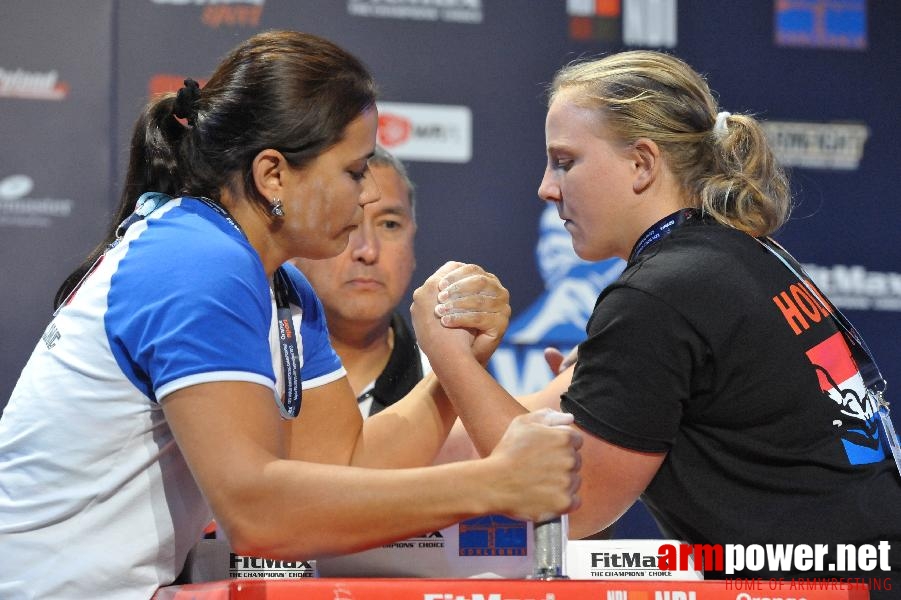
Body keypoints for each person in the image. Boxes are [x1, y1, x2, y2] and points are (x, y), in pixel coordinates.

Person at [0, 30, 582, 599]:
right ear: (273, 174)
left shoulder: (280, 283)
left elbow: (348, 465)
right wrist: (492, 482)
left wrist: (453, 373)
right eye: (354, 172)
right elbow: (259, 514)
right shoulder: (198, 260)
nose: (363, 198)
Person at [411, 49, 900, 590]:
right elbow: (521, 440)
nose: (547, 188)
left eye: (566, 161)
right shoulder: (731, 256)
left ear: (642, 164)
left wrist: (451, 359)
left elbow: (570, 506)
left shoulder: (662, 293)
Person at [291, 146, 426, 417]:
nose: (368, 251)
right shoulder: (250, 368)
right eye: (345, 221)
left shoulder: (445, 392)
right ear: (295, 243)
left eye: (389, 225)